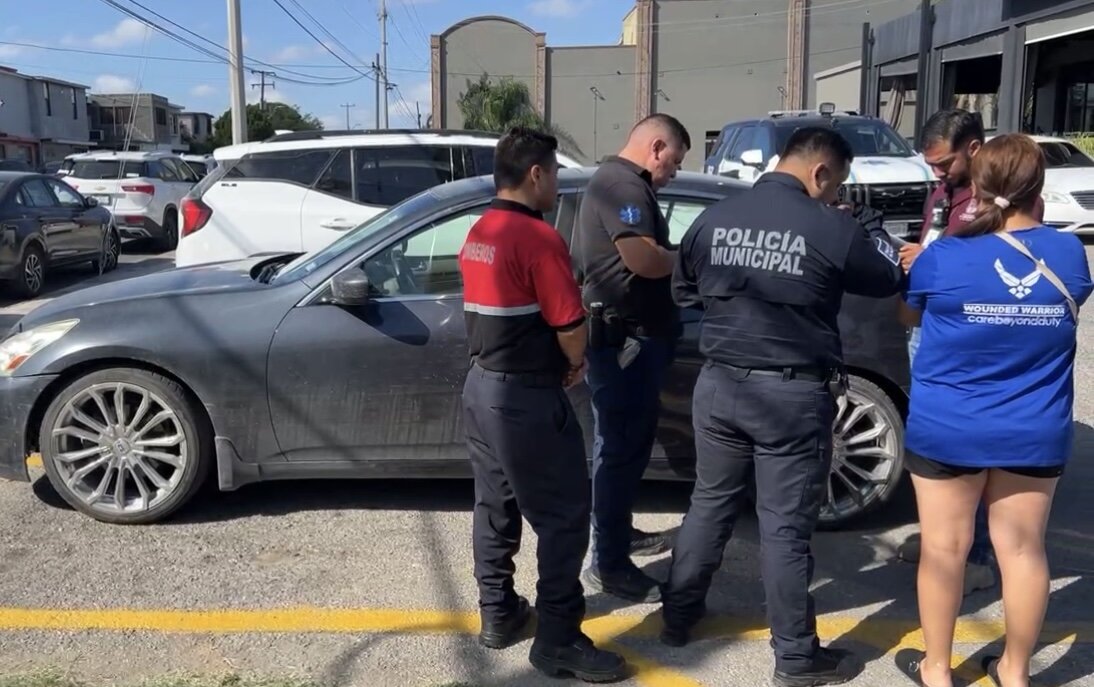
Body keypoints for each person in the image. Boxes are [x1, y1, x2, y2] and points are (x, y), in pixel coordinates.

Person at [659, 127, 906, 687]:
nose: (834, 193)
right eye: (835, 184)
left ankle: (677, 616)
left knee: (710, 503)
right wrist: (869, 225)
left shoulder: (714, 218)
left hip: (719, 385)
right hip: (790, 397)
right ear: (821, 172)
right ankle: (795, 656)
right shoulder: (832, 227)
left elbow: (684, 291)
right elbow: (889, 274)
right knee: (784, 529)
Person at [895, 133, 1092, 687]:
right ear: (1039, 187)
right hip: (1033, 429)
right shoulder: (1068, 254)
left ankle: (937, 669)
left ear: (978, 187)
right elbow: (1070, 300)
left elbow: (908, 317)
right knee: (1024, 550)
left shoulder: (943, 257)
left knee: (944, 550)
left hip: (948, 427)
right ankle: (1015, 671)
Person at [458, 127, 627, 683]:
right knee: (564, 517)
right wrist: (575, 362)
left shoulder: (479, 230)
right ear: (536, 174)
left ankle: (499, 612)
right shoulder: (537, 237)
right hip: (525, 396)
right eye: (554, 173)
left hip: (481, 387)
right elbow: (570, 324)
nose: (555, 183)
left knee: (495, 505)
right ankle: (558, 640)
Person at [897, 109, 1046, 596]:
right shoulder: (944, 192)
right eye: (932, 166)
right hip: (932, 327)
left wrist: (931, 261)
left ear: (975, 150)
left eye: (945, 163)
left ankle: (977, 554)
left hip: (971, 335)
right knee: (942, 454)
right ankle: (944, 542)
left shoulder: (995, 207)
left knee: (975, 452)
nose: (939, 173)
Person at [573, 113, 691, 603]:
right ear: (657, 147)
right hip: (625, 345)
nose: (673, 174)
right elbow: (643, 259)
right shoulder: (622, 185)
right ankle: (609, 565)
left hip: (629, 341)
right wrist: (691, 258)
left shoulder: (621, 182)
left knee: (624, 450)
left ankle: (615, 535)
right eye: (674, 163)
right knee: (620, 454)